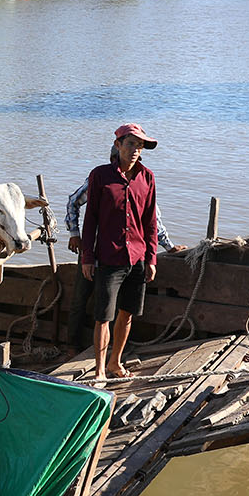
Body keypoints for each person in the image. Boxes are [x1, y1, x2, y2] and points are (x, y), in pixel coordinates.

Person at [64, 148, 184, 351]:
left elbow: (152, 220)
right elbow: (73, 202)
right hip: (92, 253)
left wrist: (168, 247)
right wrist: (74, 233)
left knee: (117, 308)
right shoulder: (100, 178)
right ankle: (72, 346)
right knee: (80, 299)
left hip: (122, 256)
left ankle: (113, 351)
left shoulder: (142, 180)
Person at [80, 123, 160, 381]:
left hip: (137, 256)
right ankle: (100, 370)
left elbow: (150, 222)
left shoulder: (147, 177)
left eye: (140, 146)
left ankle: (115, 362)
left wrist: (151, 258)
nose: (135, 150)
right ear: (117, 145)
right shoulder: (100, 175)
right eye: (131, 144)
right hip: (109, 257)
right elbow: (90, 218)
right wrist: (87, 257)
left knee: (127, 313)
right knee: (103, 316)